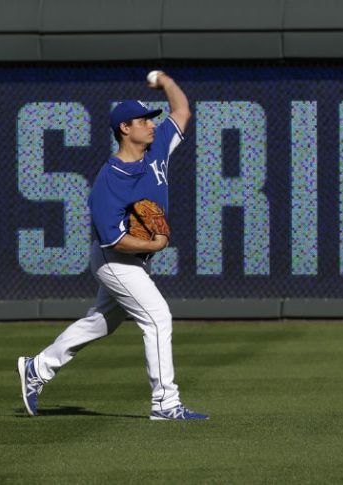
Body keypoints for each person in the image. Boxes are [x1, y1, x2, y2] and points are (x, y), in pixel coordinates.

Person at [17, 71, 209, 420]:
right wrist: (157, 242)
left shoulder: (158, 146)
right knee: (157, 317)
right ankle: (165, 404)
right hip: (114, 259)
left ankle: (38, 367)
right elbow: (116, 240)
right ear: (125, 129)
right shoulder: (109, 181)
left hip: (134, 258)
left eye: (152, 120)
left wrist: (164, 80)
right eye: (143, 121)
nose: (153, 124)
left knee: (101, 321)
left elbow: (181, 111)